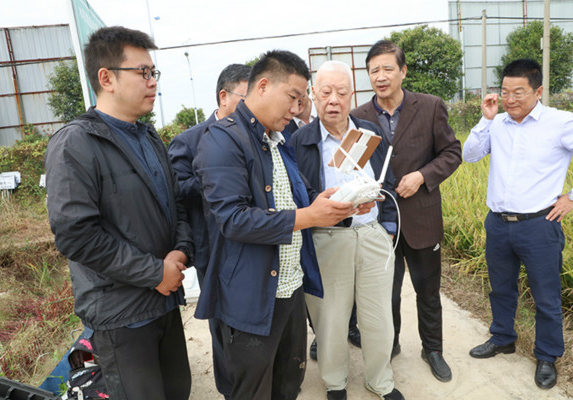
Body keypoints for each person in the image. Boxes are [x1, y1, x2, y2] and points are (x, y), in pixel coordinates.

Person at [194, 50, 358, 400]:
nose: (297, 109)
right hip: (252, 297)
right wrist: (309, 216)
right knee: (254, 389)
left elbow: (302, 198)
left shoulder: (279, 141)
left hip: (290, 288)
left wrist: (340, 204)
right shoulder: (222, 139)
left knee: (288, 384)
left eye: (301, 100)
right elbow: (234, 220)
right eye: (293, 97)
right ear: (264, 86)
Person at [45, 26, 193, 400]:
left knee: (178, 390)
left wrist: (181, 250)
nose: (152, 81)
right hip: (122, 316)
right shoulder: (76, 143)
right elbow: (77, 236)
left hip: (163, 302)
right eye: (142, 72)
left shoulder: (148, 137)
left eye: (153, 72)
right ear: (107, 78)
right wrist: (154, 272)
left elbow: (175, 203)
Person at [463, 58, 573, 389]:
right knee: (500, 288)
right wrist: (486, 119)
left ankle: (547, 355)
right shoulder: (497, 124)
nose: (510, 99)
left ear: (538, 91)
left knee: (545, 296)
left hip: (539, 225)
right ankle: (502, 338)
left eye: (518, 92)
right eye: (505, 92)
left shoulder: (560, 123)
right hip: (498, 223)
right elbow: (470, 155)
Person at [290, 60, 403, 400]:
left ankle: (380, 380)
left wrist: (385, 221)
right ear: (313, 94)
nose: (333, 100)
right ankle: (335, 382)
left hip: (371, 235)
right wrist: (332, 206)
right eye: (326, 92)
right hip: (327, 239)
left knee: (378, 316)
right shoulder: (300, 140)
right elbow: (299, 192)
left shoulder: (369, 132)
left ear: (352, 95)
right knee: (331, 319)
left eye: (341, 92)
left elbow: (388, 180)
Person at [351, 39, 461, 383]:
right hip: (378, 223)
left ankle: (433, 349)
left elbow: (451, 153)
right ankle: (391, 344)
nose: (380, 76)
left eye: (387, 68)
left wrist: (422, 176)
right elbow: (354, 167)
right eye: (374, 71)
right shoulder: (358, 117)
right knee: (385, 293)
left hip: (421, 218)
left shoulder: (429, 107)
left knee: (428, 292)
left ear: (403, 71)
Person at [168, 63, 250, 399]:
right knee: (222, 324)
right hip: (213, 249)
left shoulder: (256, 137)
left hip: (251, 243)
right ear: (224, 96)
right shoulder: (189, 141)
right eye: (245, 99)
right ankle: (230, 388)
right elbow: (177, 190)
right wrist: (218, 178)